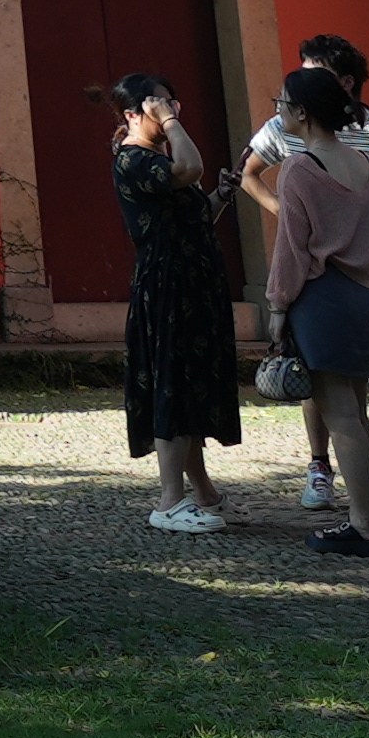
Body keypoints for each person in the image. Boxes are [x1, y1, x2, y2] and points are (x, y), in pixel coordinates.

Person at [255, 60, 369, 557]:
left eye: (281, 104)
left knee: (340, 415)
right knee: (354, 412)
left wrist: (278, 305)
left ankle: (366, 524)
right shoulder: (366, 166)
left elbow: (291, 247)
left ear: (300, 111)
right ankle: (366, 518)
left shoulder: (299, 167)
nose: (277, 112)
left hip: (322, 298)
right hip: (363, 296)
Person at [112, 78, 240, 530]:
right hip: (167, 285)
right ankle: (169, 501)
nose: (171, 114)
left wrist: (222, 195)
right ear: (133, 114)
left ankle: (202, 489)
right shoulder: (133, 158)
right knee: (171, 383)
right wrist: (171, 122)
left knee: (191, 384)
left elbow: (195, 211)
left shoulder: (156, 161)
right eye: (160, 107)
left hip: (191, 282)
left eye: (173, 104)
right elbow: (189, 170)